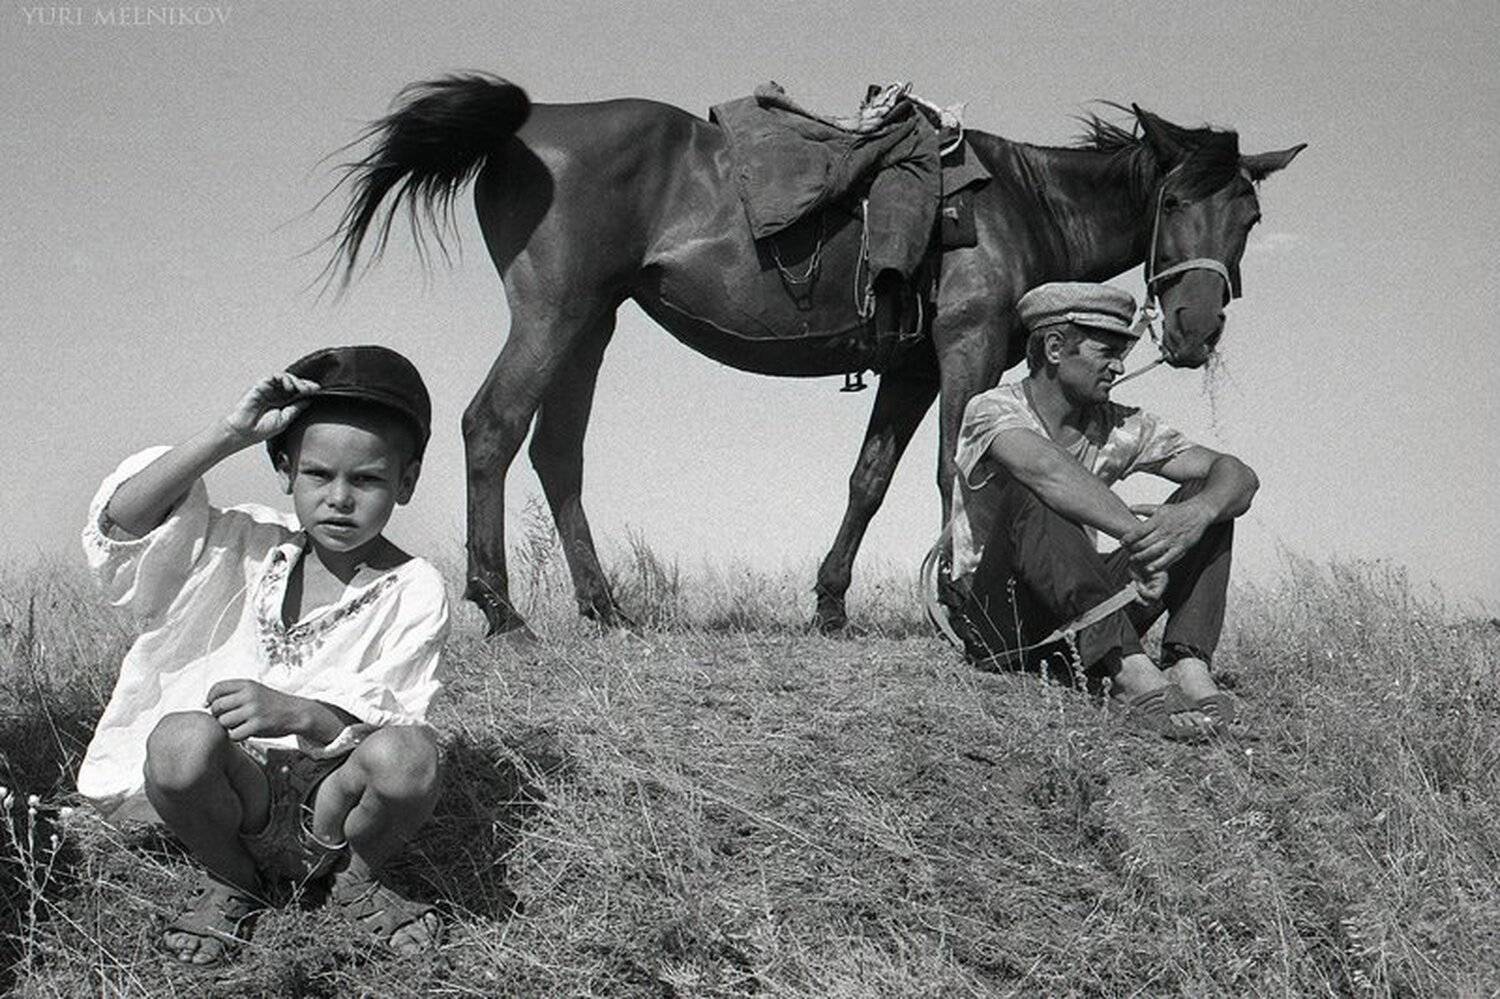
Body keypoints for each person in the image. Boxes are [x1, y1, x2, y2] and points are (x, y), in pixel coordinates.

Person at [79, 345, 451, 963]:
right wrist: (230, 434)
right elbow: (123, 526)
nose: (339, 498)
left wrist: (302, 713)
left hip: (332, 806)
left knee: (411, 757)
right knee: (177, 741)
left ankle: (353, 883)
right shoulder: (242, 542)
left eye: (367, 479)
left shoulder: (415, 587)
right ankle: (231, 878)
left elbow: (394, 718)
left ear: (404, 483)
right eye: (317, 474)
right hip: (233, 793)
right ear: (283, 469)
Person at [932, 282, 1258, 738]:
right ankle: (1128, 674)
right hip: (1000, 616)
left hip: (1084, 607)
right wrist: (1142, 541)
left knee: (1210, 493)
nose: (1119, 366)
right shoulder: (991, 408)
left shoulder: (1120, 423)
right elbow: (1046, 469)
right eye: (1106, 351)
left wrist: (1196, 514)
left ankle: (1188, 662)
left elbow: (1237, 474)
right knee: (1038, 489)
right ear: (1054, 347)